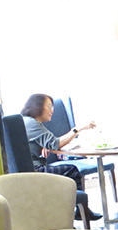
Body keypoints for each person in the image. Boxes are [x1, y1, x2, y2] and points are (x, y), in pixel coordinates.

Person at [20, 93, 101, 222]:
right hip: (36, 171)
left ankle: (75, 211)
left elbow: (44, 143)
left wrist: (42, 146)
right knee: (72, 171)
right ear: (37, 106)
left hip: (29, 170)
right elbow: (56, 144)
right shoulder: (33, 124)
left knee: (69, 172)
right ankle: (78, 211)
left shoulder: (26, 121)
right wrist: (78, 129)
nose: (52, 110)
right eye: (49, 106)